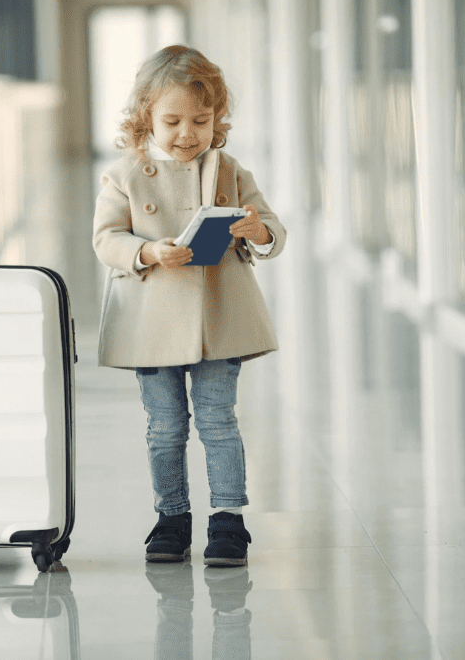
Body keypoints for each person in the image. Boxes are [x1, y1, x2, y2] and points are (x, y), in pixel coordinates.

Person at [92, 45, 286, 567]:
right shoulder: (125, 175)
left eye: (200, 120)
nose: (187, 133)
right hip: (150, 321)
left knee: (219, 420)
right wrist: (148, 251)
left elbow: (271, 226)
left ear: (216, 120)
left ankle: (228, 521)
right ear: (144, 119)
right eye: (172, 120)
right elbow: (106, 239)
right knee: (166, 425)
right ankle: (171, 516)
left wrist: (258, 229)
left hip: (217, 317)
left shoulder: (229, 168)